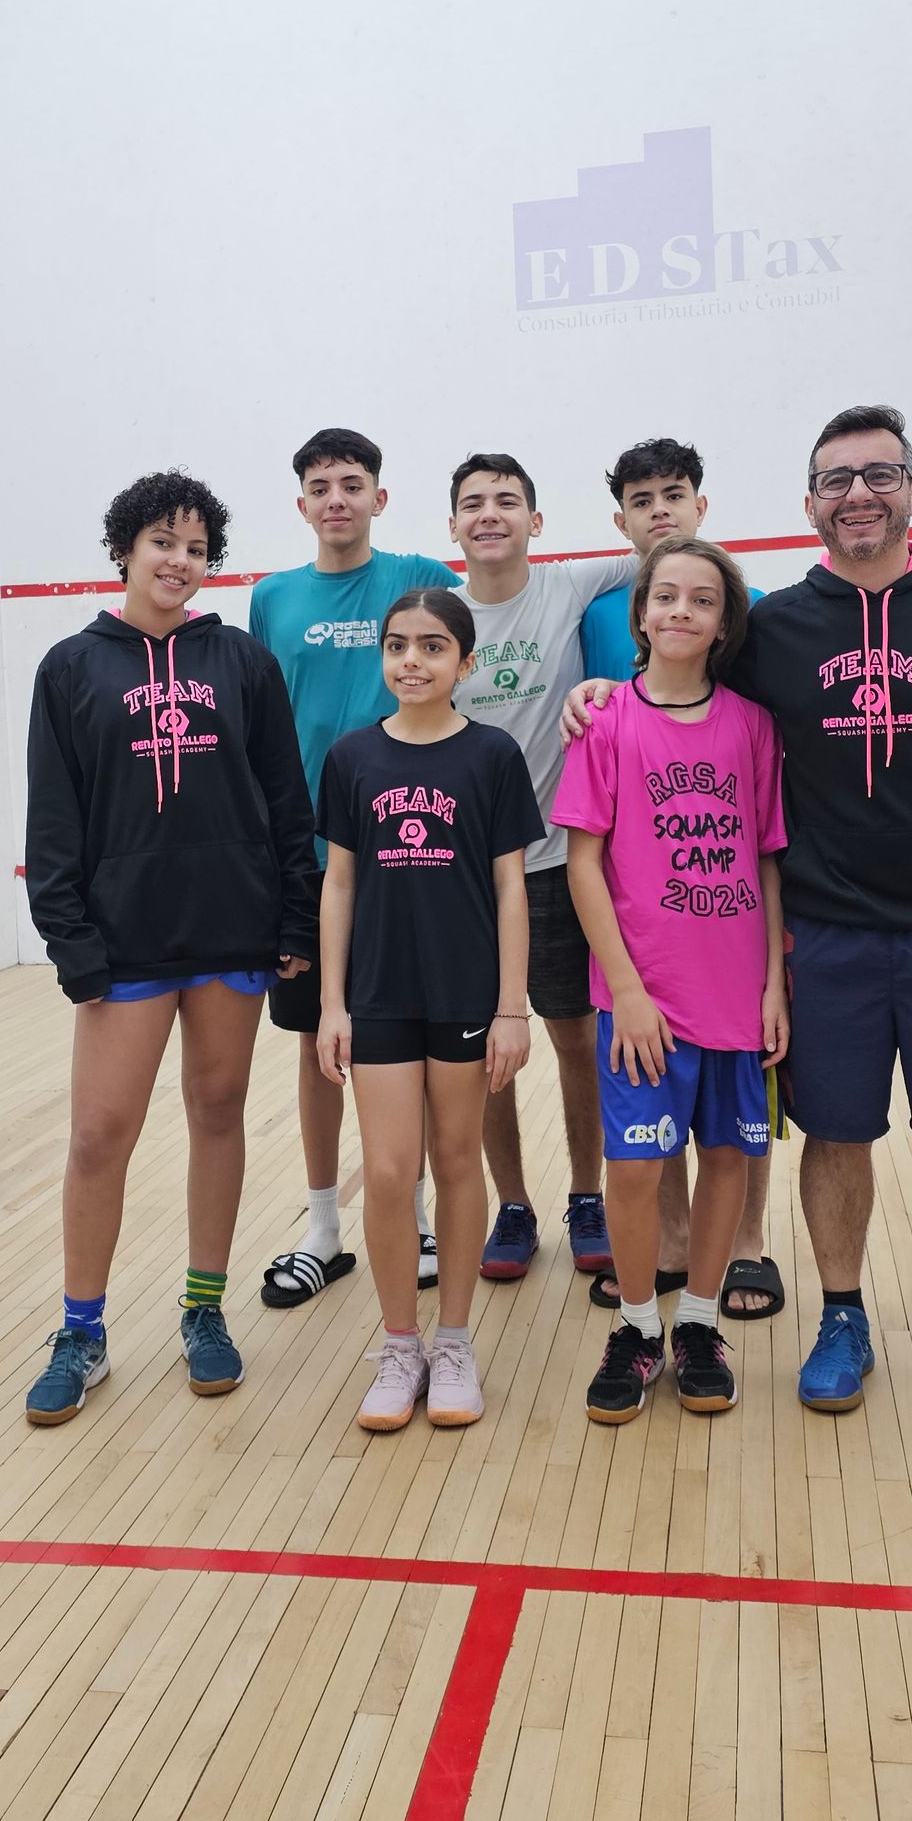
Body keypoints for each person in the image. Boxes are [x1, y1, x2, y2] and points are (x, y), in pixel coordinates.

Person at [565, 404, 912, 1424]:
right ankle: (842, 1317)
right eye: (837, 480)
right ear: (811, 504)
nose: (859, 493)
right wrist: (599, 692)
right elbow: (677, 680)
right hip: (832, 935)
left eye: (880, 475)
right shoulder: (776, 628)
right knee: (837, 1134)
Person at [22, 469, 317, 1421]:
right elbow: (53, 820)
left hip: (230, 929)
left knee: (219, 1111)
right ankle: (81, 1329)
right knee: (99, 1133)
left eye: (196, 548)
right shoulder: (71, 668)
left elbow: (284, 800)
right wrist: (71, 941)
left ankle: (203, 1310)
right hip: (124, 943)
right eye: (162, 542)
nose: (179, 561)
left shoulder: (242, 663)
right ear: (124, 549)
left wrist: (294, 919)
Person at [556, 539, 788, 1422]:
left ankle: (697, 1323)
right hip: (643, 1000)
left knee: (729, 1157)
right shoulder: (608, 721)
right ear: (641, 615)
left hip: (737, 995)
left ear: (724, 622)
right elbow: (585, 866)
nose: (682, 612)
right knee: (638, 1168)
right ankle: (638, 1326)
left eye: (702, 600)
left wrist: (773, 984)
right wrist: (627, 991)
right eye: (666, 598)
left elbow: (767, 863)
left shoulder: (752, 726)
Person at [317, 587, 540, 1429]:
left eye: (433, 647)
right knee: (384, 1170)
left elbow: (511, 886)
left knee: (455, 1162)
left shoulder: (491, 755)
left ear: (465, 663)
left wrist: (511, 1008)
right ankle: (398, 1344)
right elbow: (338, 885)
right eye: (399, 645)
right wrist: (333, 1003)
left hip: (465, 993)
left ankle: (454, 1342)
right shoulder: (350, 758)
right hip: (377, 995)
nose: (413, 660)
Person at [248, 429, 453, 1307]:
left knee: (411, 1035)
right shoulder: (271, 598)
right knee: (318, 1044)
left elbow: (508, 587)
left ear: (379, 497)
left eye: (352, 483)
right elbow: (263, 725)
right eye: (320, 486)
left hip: (406, 851)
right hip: (302, 862)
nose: (336, 498)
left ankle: (412, 1214)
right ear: (302, 505)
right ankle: (324, 1228)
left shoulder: (418, 578)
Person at [447, 454, 634, 1282]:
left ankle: (586, 1195)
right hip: (465, 877)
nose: (491, 515)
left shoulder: (566, 585)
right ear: (453, 525)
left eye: (508, 502)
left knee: (574, 1038)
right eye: (474, 504)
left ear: (536, 520)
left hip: (558, 864)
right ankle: (513, 1204)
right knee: (487, 1047)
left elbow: (662, 548)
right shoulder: (437, 616)